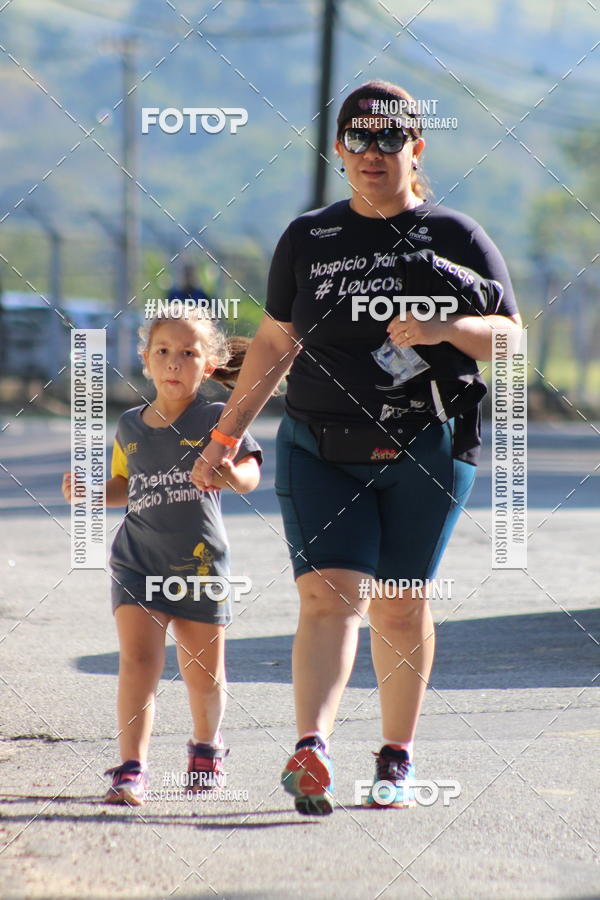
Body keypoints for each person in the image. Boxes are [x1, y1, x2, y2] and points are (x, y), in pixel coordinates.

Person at [196, 80, 522, 815]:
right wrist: (225, 434)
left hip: (427, 446)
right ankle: (312, 747)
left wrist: (445, 331)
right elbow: (276, 342)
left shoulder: (456, 236)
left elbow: (510, 337)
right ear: (339, 149)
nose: (374, 153)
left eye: (389, 139)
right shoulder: (309, 238)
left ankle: (396, 759)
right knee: (327, 597)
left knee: (401, 608)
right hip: (318, 442)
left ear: (417, 147)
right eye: (359, 139)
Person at [62, 308, 262, 805]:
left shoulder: (219, 418)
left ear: (209, 366)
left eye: (188, 354)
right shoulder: (129, 425)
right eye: (163, 352)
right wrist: (91, 492)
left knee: (204, 675)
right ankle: (132, 767)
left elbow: (251, 473)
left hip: (198, 564)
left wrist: (230, 476)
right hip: (137, 560)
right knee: (137, 662)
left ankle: (206, 748)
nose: (175, 363)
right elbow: (125, 486)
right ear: (147, 362)